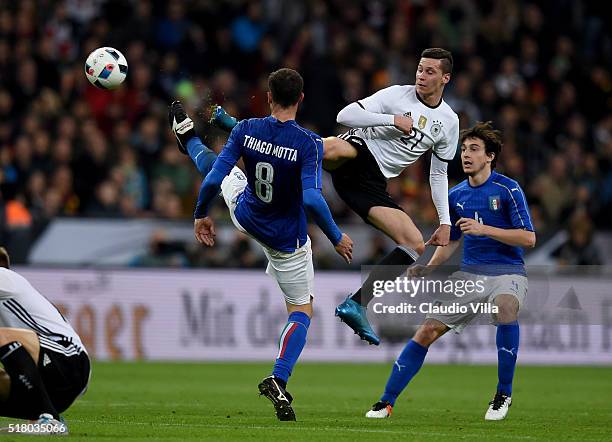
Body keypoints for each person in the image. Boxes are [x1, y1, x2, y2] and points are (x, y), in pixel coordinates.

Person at [211, 48, 459, 345]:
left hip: (372, 183)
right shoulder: (397, 96)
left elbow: (438, 173)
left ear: (445, 78)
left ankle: (356, 304)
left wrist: (445, 221)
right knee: (326, 148)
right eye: (420, 69)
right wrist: (392, 120)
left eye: (430, 71)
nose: (421, 76)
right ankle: (240, 130)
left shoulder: (448, 122)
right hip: (357, 151)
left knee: (413, 242)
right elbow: (346, 115)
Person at [168, 68, 353, 421]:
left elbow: (213, 179)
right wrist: (336, 236)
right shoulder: (309, 143)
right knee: (301, 311)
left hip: (246, 215)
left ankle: (187, 138)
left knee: (221, 171)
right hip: (287, 241)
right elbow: (313, 200)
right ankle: (279, 377)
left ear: (269, 97)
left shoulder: (246, 129)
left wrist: (199, 214)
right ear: (301, 99)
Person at [365, 122, 535, 421]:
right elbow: (451, 241)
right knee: (427, 331)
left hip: (508, 272)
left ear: (490, 156)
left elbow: (528, 238)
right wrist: (428, 268)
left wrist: (485, 229)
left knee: (505, 307)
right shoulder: (455, 196)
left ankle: (503, 394)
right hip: (470, 276)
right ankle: (385, 402)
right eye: (464, 149)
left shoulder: (508, 189)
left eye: (474, 149)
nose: (466, 155)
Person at [0, 247, 90, 435]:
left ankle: (49, 419)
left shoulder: (6, 278)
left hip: (69, 361)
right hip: (47, 386)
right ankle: (42, 415)